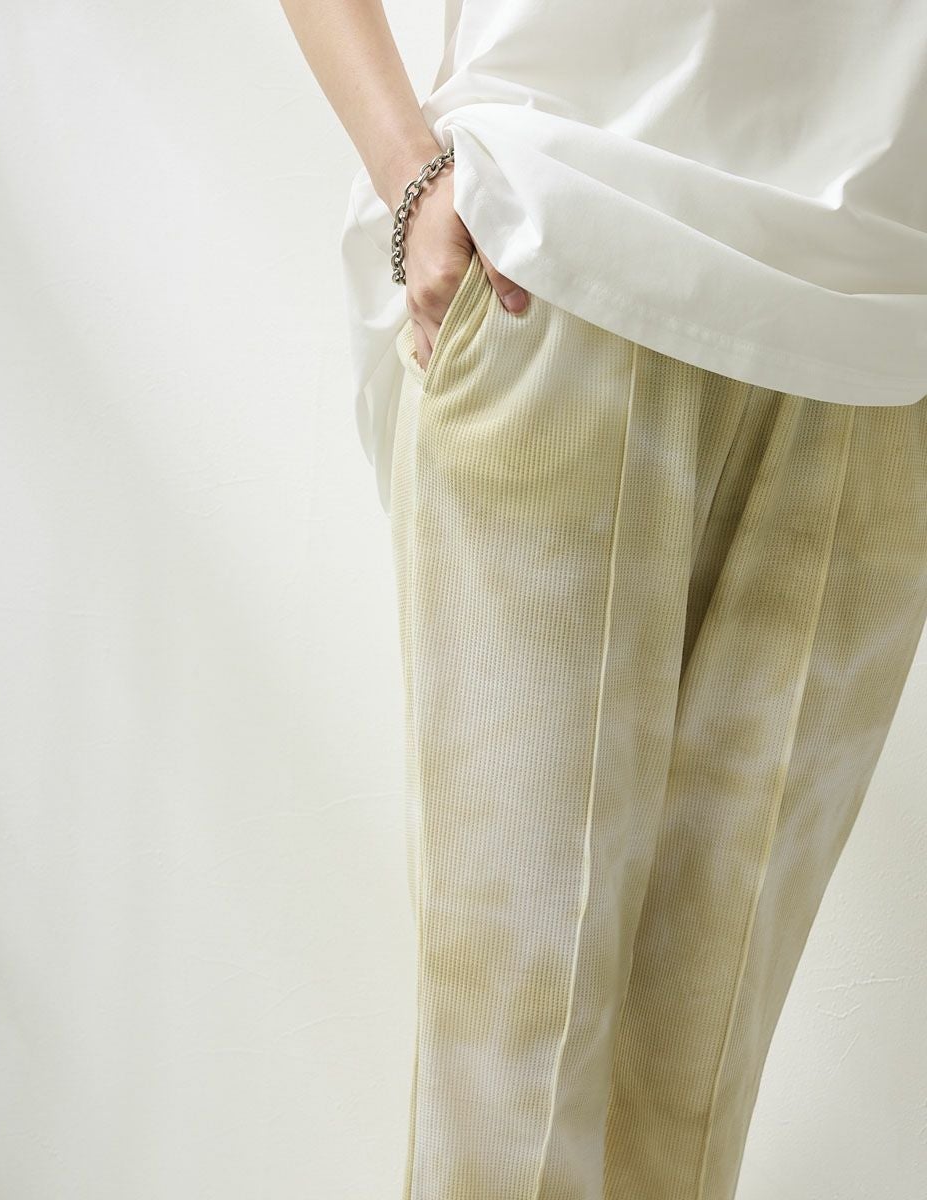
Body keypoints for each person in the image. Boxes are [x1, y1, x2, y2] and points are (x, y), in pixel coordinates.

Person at [279, 1, 927, 1197]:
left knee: (690, 1095)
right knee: (512, 1078)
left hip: (883, 344)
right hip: (561, 256)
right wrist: (411, 174)